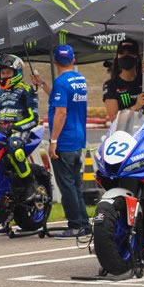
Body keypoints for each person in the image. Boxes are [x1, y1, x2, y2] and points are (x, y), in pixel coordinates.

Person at [0, 53, 40, 206]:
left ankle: (30, 185)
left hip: (19, 131)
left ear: (17, 72)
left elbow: (34, 118)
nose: (4, 75)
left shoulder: (26, 91)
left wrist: (14, 127)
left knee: (14, 146)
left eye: (8, 72)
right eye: (2, 73)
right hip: (0, 132)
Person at [45, 45, 90, 239]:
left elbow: (61, 112)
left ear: (55, 61)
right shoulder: (80, 79)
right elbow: (62, 101)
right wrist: (44, 85)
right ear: (73, 60)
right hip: (79, 137)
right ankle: (84, 223)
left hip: (65, 139)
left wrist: (53, 140)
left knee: (67, 185)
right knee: (75, 184)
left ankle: (75, 225)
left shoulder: (60, 83)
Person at [102, 39, 144, 120]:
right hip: (124, 128)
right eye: (122, 53)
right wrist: (135, 107)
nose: (126, 56)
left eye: (130, 53)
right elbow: (114, 118)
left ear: (137, 57)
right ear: (117, 57)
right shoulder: (111, 85)